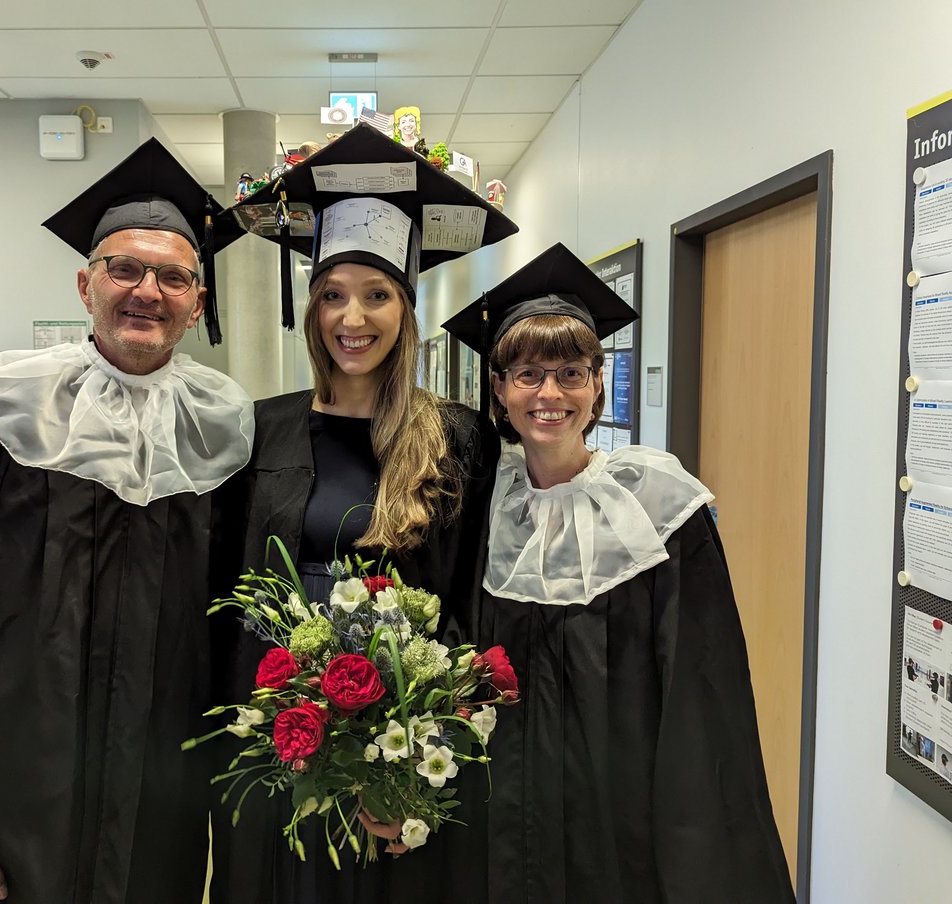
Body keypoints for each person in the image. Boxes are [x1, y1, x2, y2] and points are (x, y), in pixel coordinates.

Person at [0, 138, 255, 904]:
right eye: (125, 268)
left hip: (162, 789)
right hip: (15, 785)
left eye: (174, 276)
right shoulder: (2, 408)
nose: (148, 290)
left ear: (197, 303)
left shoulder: (225, 427)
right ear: (86, 285)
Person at [208, 123, 517, 904]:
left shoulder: (453, 435)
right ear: (312, 308)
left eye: (378, 295)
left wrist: (423, 741)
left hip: (402, 723)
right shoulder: (262, 427)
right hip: (277, 713)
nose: (355, 318)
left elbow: (470, 598)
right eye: (334, 295)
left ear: (405, 311)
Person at [443, 243, 796, 903]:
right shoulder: (475, 509)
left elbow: (702, 691)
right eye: (527, 373)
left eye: (571, 372)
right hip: (496, 824)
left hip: (619, 830)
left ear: (598, 383)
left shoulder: (657, 509)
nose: (550, 394)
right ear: (498, 388)